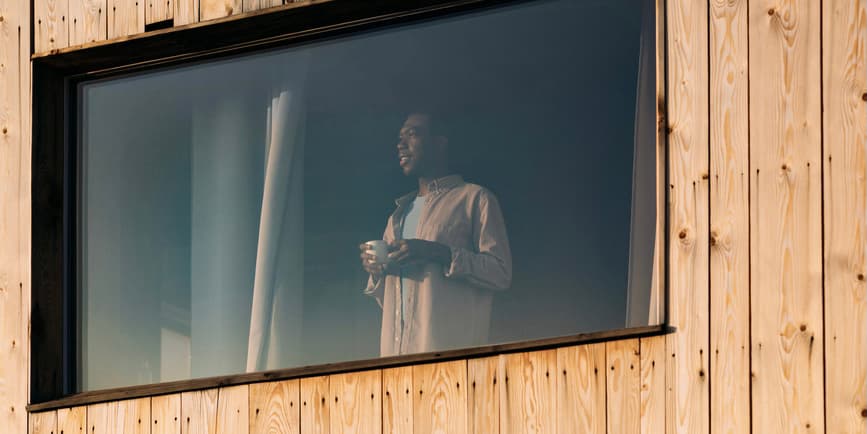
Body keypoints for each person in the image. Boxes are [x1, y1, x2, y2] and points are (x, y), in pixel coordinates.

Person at [359, 111, 512, 356]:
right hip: (395, 364)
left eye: (412, 134)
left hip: (452, 363)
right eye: (399, 137)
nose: (401, 144)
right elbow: (394, 300)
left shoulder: (475, 199)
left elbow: (501, 273)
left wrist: (438, 252)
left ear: (439, 143)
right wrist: (376, 273)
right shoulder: (398, 216)